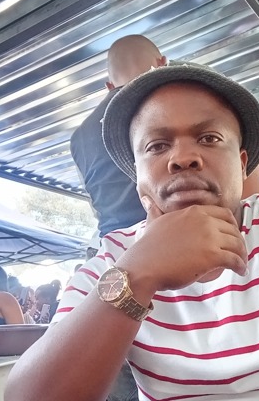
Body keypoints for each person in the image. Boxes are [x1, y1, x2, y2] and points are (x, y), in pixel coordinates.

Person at [5, 62, 259, 400]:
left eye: (209, 139)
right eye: (157, 146)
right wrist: (137, 274)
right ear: (137, 175)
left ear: (242, 163)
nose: (183, 157)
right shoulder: (110, 263)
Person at [69, 34, 169, 401]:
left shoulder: (80, 135)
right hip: (168, 249)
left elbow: (96, 203)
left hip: (109, 259)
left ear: (108, 85)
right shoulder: (165, 104)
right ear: (163, 63)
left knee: (119, 371)